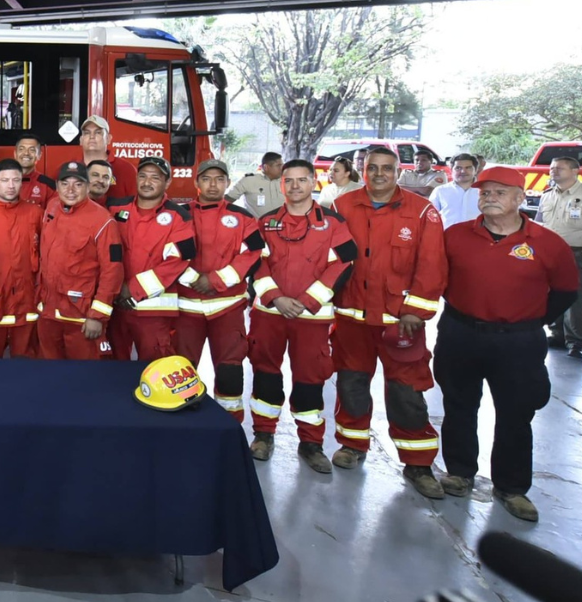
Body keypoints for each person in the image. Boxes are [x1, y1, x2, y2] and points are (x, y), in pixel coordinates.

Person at [436, 167, 579, 522]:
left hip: (518, 343)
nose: (489, 198)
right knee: (458, 405)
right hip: (460, 334)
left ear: (520, 198)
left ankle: (512, 488)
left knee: (516, 413)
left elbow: (565, 291)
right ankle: (459, 473)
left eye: (499, 192)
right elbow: (435, 278)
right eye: (485, 193)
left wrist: (529, 319)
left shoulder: (548, 243)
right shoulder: (455, 236)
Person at [330, 146, 447, 498]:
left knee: (406, 389)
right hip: (352, 315)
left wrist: (416, 310)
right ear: (363, 171)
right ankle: (352, 444)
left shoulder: (422, 211)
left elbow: (432, 264)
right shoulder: (342, 206)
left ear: (398, 172)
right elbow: (330, 258)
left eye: (387, 168)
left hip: (401, 320)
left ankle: (418, 462)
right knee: (351, 381)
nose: (379, 174)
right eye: (372, 168)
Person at [247, 160, 358, 472]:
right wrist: (275, 297)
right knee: (265, 372)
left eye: (301, 180)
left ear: (313, 183)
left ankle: (311, 442)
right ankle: (263, 435)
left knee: (310, 378)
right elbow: (256, 262)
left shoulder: (333, 223)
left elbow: (344, 263)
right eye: (289, 180)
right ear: (281, 184)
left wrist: (308, 300)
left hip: (312, 317)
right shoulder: (266, 222)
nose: (295, 186)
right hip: (269, 313)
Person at [175, 159, 264, 421]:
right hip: (186, 307)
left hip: (228, 307)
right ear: (196, 183)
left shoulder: (243, 217)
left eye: (219, 179)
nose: (213, 184)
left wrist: (214, 280)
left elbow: (253, 254)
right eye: (206, 179)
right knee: (182, 369)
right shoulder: (180, 214)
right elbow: (167, 251)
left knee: (230, 369)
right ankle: (182, 423)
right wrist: (194, 279)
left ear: (227, 183)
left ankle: (229, 425)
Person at [109, 158, 197, 360]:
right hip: (115, 308)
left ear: (167, 183)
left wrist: (132, 289)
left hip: (154, 313)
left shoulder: (180, 217)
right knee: (111, 367)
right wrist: (114, 288)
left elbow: (177, 261)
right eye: (142, 176)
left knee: (154, 368)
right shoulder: (115, 209)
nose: (147, 182)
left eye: (155, 178)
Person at [37, 162, 123, 360]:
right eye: (65, 183)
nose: (70, 190)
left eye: (78, 184)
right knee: (48, 372)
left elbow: (113, 272)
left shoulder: (104, 221)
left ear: (87, 186)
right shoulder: (51, 207)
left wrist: (97, 316)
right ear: (57, 186)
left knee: (84, 374)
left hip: (81, 318)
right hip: (48, 315)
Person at [0, 159, 43, 358]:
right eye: (5, 180)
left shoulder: (36, 213)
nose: (11, 186)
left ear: (22, 182)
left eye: (16, 180)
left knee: (26, 363)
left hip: (27, 303)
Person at [539, 156, 582, 357]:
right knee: (552, 293)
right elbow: (540, 223)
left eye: (559, 168)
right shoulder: (547, 195)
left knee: (574, 297)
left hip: (576, 252)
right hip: (549, 252)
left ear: (575, 171)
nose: (553, 171)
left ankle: (575, 341)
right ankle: (557, 334)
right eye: (552, 168)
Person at [79, 116, 137, 200]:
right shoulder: (72, 168)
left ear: (108, 139)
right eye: (87, 133)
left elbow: (137, 202)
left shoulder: (127, 169)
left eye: (98, 132)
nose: (92, 136)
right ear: (81, 140)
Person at [429, 153, 482, 228]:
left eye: (468, 168)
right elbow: (430, 217)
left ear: (476, 170)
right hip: (447, 234)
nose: (463, 171)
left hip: (477, 234)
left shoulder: (484, 191)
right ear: (451, 170)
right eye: (458, 168)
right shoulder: (440, 191)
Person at [227, 152, 286, 218]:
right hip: (256, 223)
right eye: (278, 165)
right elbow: (227, 200)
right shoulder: (249, 181)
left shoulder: (287, 181)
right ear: (266, 167)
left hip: (284, 223)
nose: (282, 168)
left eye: (282, 165)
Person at [13, 134, 55, 207]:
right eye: (21, 149)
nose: (26, 153)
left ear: (39, 155)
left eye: (32, 150)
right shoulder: (0, 183)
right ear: (15, 154)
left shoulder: (48, 187)